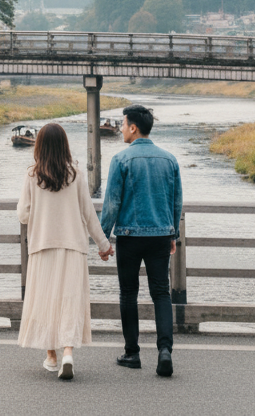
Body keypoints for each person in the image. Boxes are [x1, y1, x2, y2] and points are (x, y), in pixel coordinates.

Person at [17, 122, 114, 380]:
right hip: (72, 247)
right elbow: (89, 215)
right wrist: (104, 246)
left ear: (39, 146)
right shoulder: (76, 175)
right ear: (64, 146)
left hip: (42, 246)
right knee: (70, 300)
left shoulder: (32, 175)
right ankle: (68, 352)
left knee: (46, 300)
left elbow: (23, 214)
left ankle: (51, 356)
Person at [99, 104, 183, 377]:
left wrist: (103, 238)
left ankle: (132, 353)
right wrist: (173, 234)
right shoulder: (169, 160)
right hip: (160, 234)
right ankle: (164, 351)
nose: (121, 129)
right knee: (160, 292)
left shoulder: (121, 160)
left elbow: (112, 203)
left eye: (123, 124)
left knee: (128, 293)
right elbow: (176, 201)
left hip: (129, 236)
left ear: (133, 127)